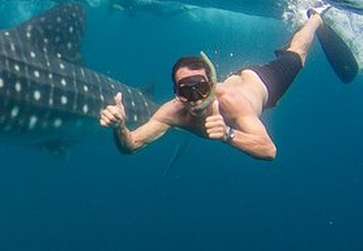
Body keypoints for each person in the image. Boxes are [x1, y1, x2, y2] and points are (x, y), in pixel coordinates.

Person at [99, 10, 326, 160]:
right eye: (186, 90)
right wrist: (119, 127)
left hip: (263, 83)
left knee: (296, 57)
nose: (196, 97)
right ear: (176, 94)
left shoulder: (231, 104)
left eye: (201, 87)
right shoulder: (173, 112)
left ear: (212, 84)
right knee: (289, 54)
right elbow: (131, 145)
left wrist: (228, 134)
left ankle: (315, 18)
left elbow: (269, 150)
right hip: (235, 80)